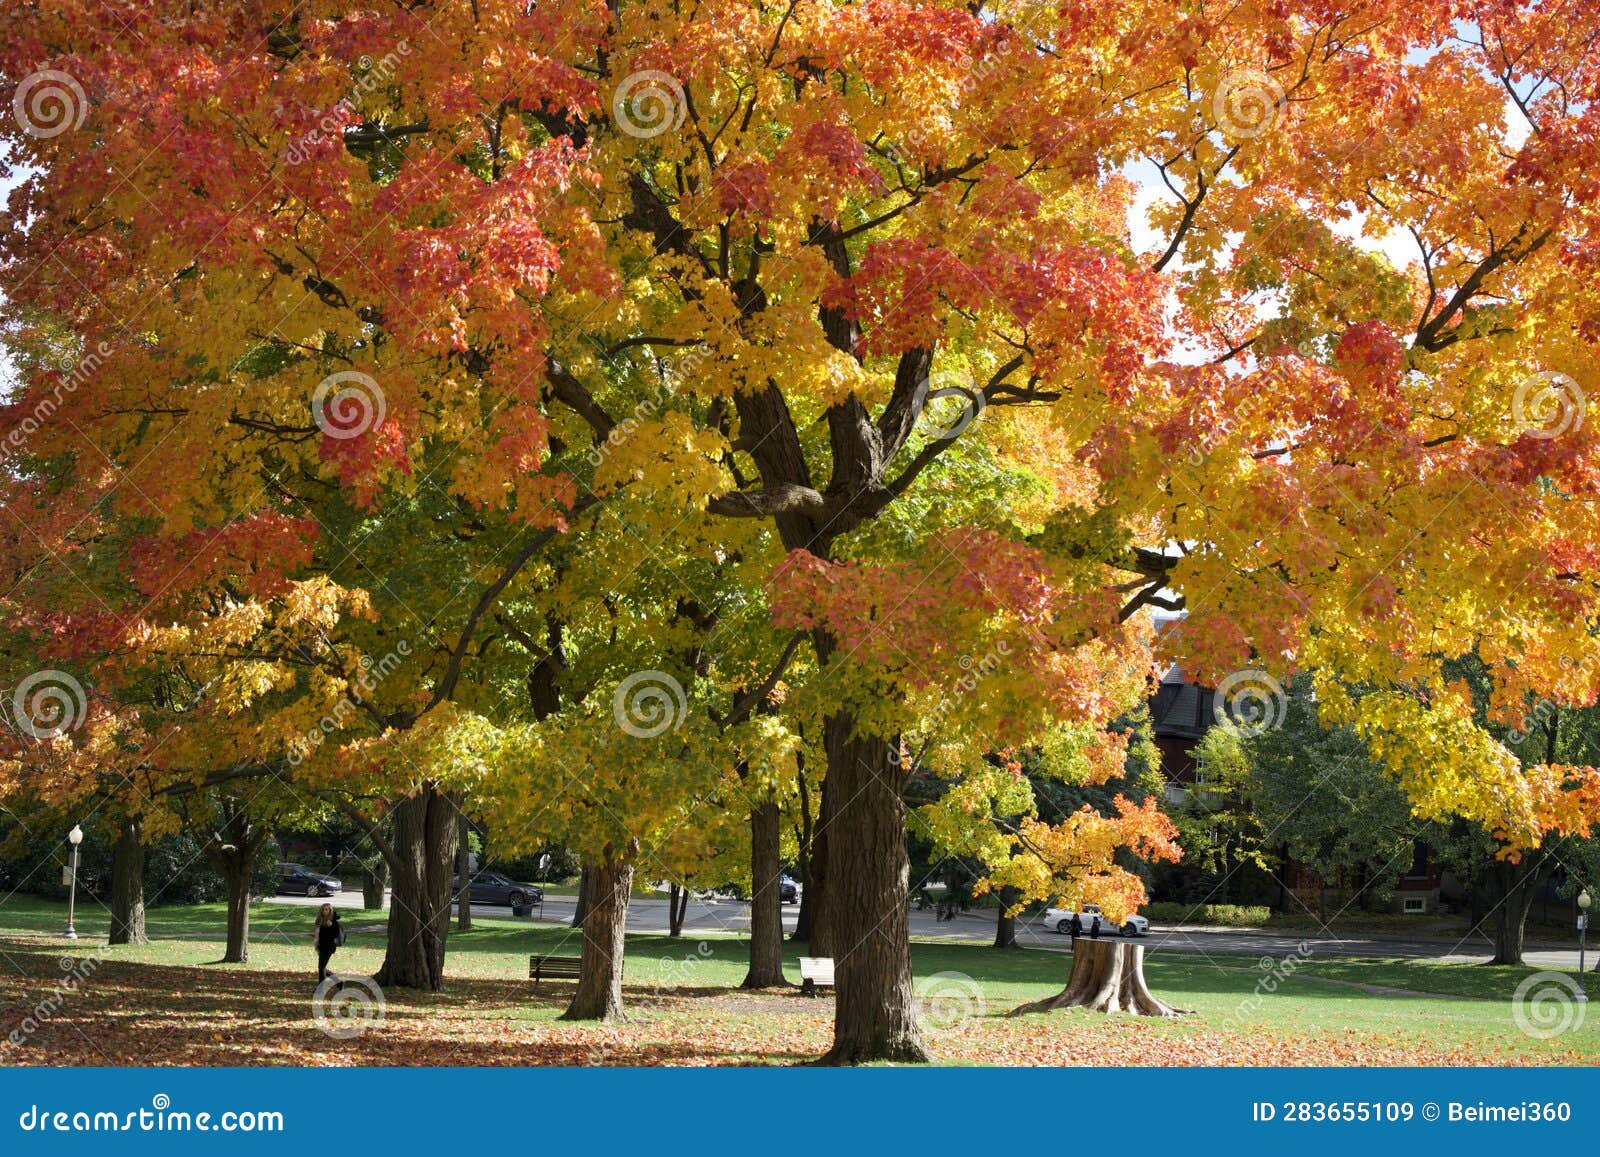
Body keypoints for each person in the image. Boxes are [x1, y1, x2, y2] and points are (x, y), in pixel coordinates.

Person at [314, 903, 343, 983]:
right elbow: (322, 934)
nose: (324, 911)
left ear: (330, 911)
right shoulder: (321, 920)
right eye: (323, 909)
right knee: (322, 968)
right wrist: (315, 935)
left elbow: (335, 934)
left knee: (321, 968)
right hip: (321, 946)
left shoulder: (332, 921)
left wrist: (331, 926)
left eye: (326, 909)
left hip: (328, 947)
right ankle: (339, 983)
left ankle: (320, 989)